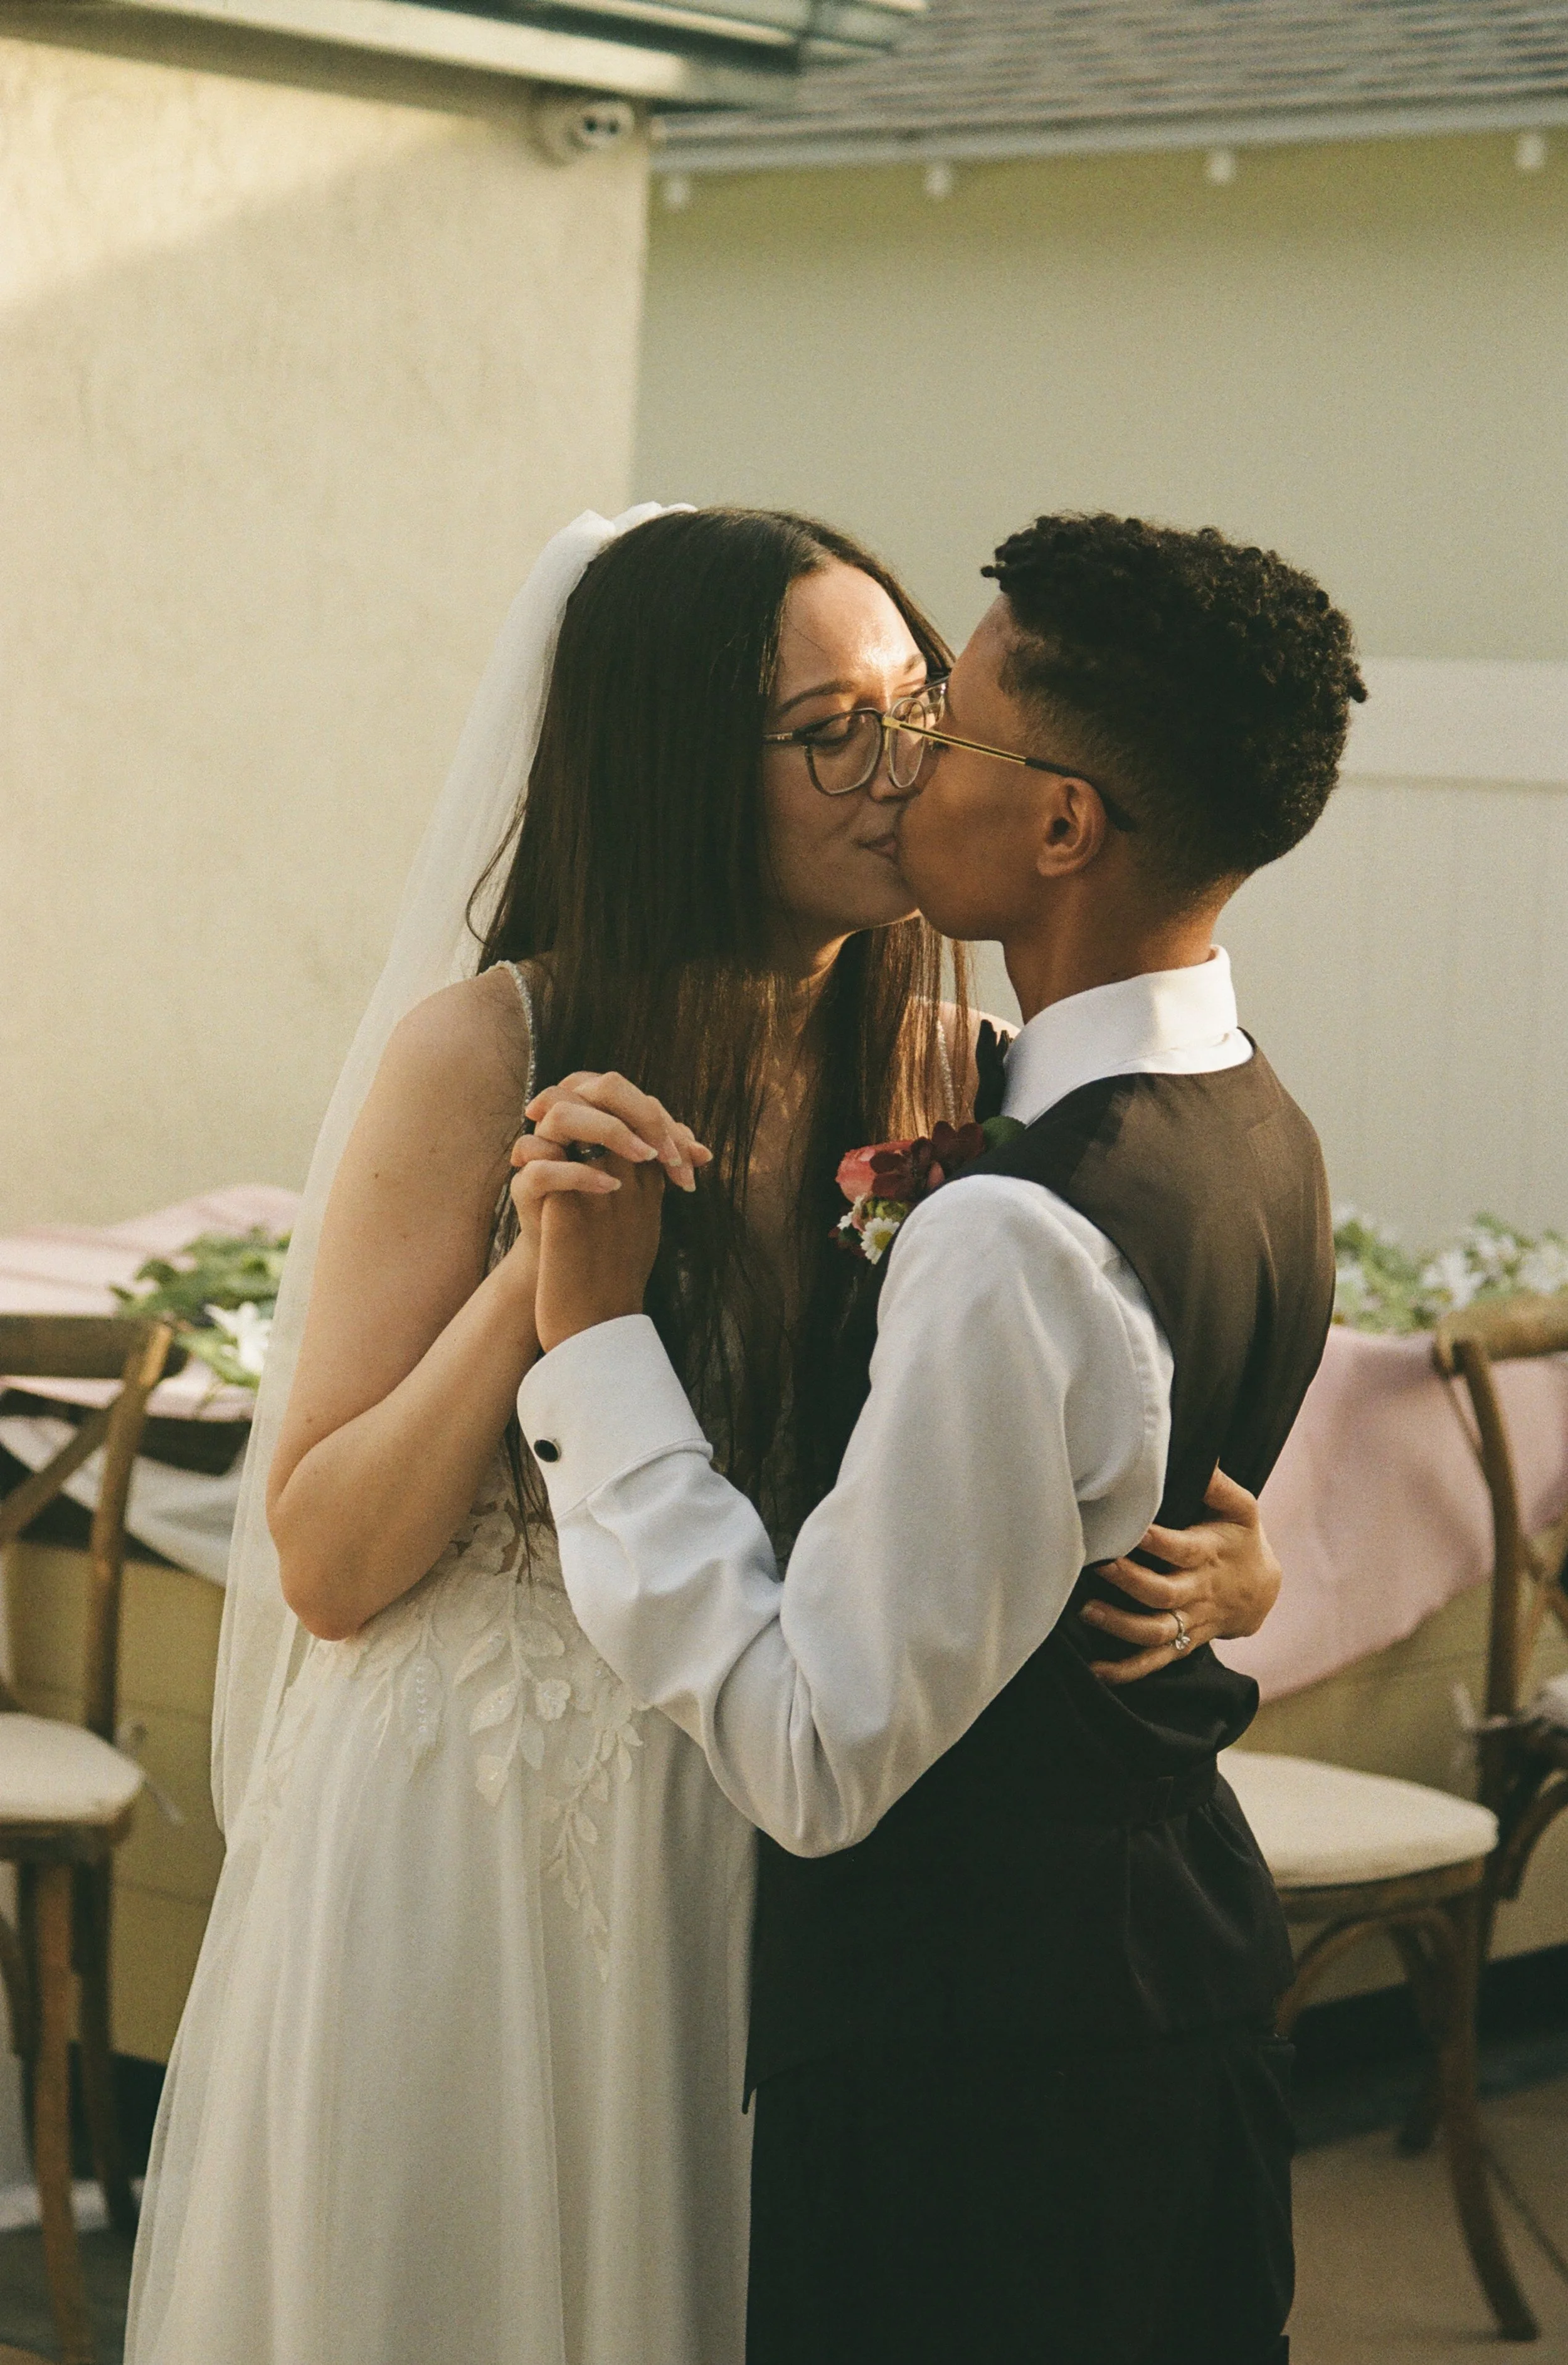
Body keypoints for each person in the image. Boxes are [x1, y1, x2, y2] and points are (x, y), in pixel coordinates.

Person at [126, 506, 1284, 2365]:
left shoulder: (960, 1081)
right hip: (480, 1839)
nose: (897, 770)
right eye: (829, 728)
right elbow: (327, 1561)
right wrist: (540, 1283)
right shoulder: (484, 1052)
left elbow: (1025, 1447)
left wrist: (1235, 1556)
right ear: (674, 761)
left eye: (915, 708)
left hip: (783, 1834)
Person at [513, 513, 1366, 2365]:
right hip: (1177, 2011)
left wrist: (588, 1341)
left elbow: (814, 1753)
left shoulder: (1009, 1226)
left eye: (945, 727)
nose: (900, 771)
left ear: (1061, 825)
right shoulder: (1255, 1120)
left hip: (986, 2087)